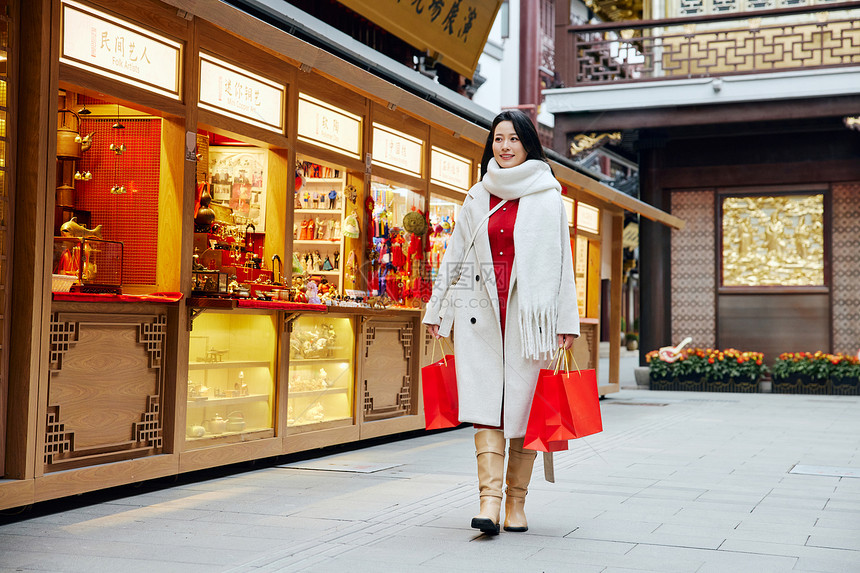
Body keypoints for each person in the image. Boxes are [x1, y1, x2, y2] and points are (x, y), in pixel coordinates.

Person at [422, 110, 580, 535]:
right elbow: (453, 256)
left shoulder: (549, 196)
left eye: (512, 139)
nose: (504, 147)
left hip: (531, 320)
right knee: (487, 410)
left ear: (528, 143)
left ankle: (516, 503)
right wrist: (437, 310)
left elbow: (563, 263)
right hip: (482, 315)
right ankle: (488, 504)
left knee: (525, 410)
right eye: (497, 139)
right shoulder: (477, 195)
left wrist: (566, 321)